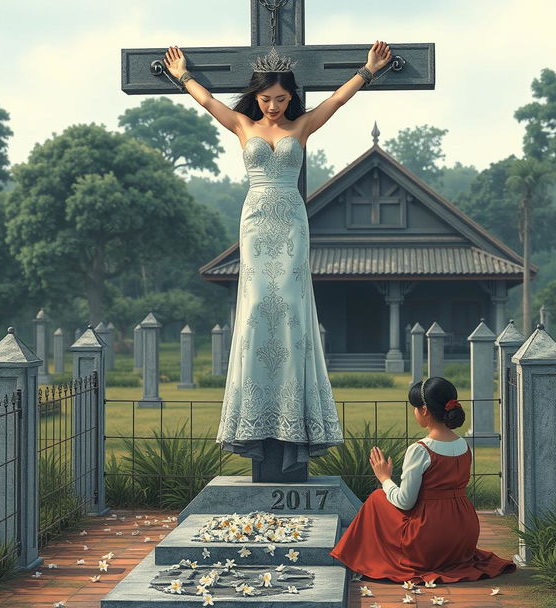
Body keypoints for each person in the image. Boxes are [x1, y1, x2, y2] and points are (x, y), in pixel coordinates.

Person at [162, 42, 392, 479]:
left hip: (290, 222)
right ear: (256, 97)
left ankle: (293, 410)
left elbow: (337, 101)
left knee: (289, 307)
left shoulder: (301, 127)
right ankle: (255, 410)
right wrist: (182, 75)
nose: (272, 106)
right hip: (254, 223)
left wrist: (368, 70)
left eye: (281, 99)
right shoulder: (243, 125)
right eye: (266, 99)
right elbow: (208, 101)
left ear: (291, 99)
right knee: (254, 312)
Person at [329, 377, 517, 583]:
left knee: (377, 498)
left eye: (415, 407)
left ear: (425, 411)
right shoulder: (464, 445)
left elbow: (405, 501)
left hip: (430, 538)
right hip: (464, 535)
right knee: (388, 499)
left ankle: (362, 557)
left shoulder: (420, 449)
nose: (415, 412)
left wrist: (384, 478)